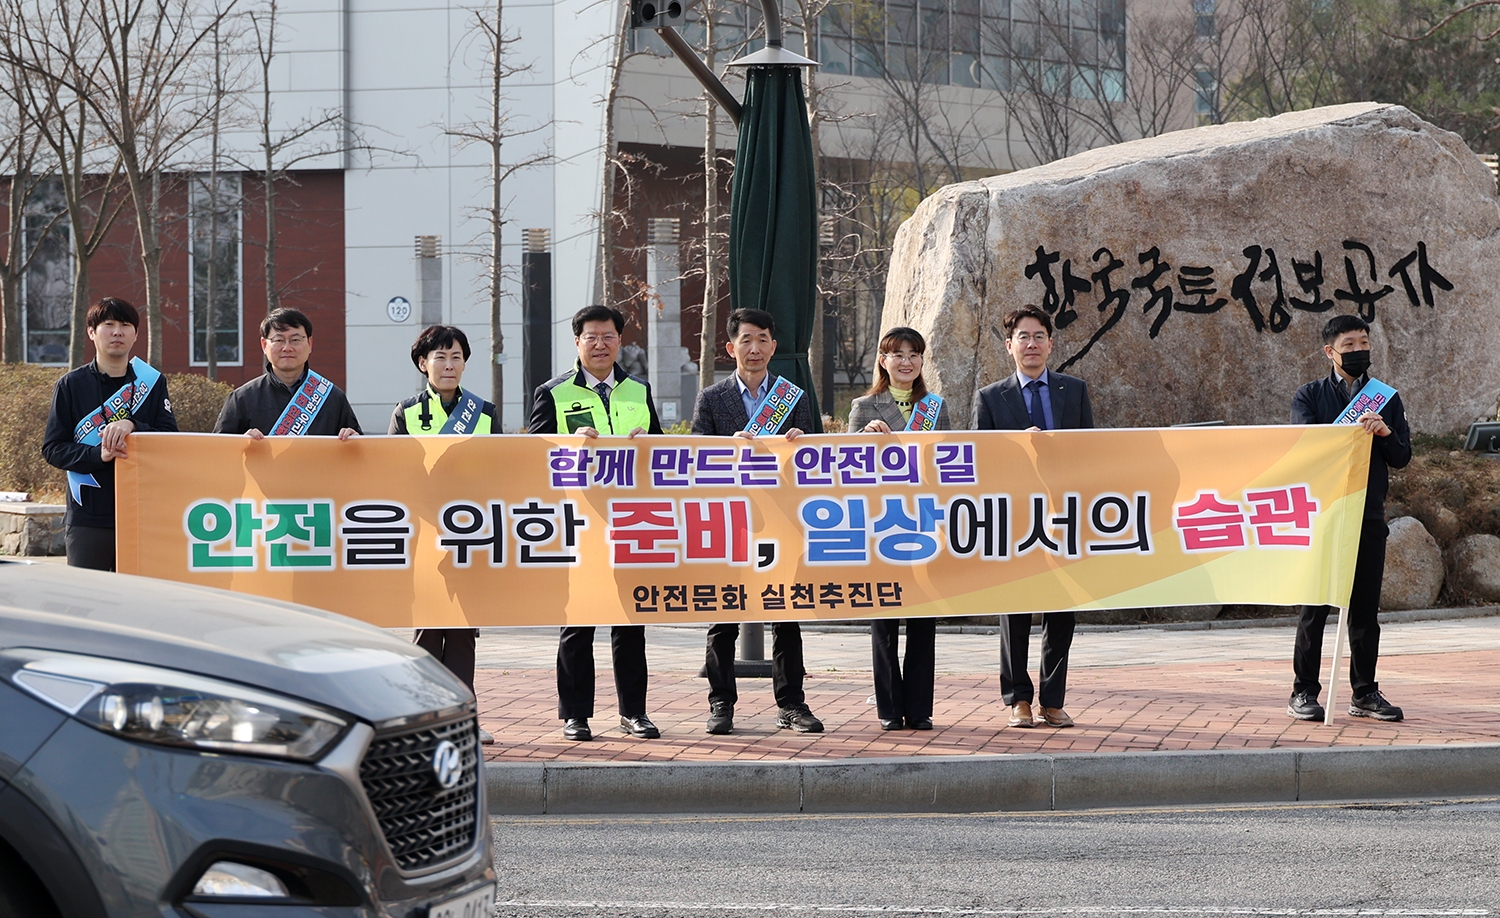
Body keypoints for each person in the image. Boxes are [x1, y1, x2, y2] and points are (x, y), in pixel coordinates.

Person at [529, 304, 663, 742]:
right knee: (579, 621)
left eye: (608, 336)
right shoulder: (553, 392)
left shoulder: (638, 391)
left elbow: (664, 456)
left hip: (631, 519)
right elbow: (533, 457)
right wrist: (568, 444)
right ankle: (575, 714)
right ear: (577, 342)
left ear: (619, 341)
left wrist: (650, 445)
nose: (600, 344)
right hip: (579, 520)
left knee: (630, 620)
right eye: (591, 336)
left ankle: (633, 712)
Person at [691, 307, 823, 735]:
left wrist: (802, 444)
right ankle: (721, 704)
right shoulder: (711, 399)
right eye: (745, 339)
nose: (754, 348)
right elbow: (694, 460)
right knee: (723, 614)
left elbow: (817, 462)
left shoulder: (794, 397)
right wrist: (726, 448)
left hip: (783, 522)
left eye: (762, 339)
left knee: (787, 614)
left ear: (774, 346)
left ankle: (791, 704)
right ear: (731, 348)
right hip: (729, 523)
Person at [972, 305, 1094, 730]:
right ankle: (1018, 698)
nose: (1032, 344)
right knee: (1016, 610)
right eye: (1023, 337)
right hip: (1014, 518)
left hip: (1063, 515)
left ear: (1051, 343)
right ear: (1009, 346)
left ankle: (1053, 699)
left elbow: (1090, 454)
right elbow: (979, 461)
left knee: (1062, 610)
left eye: (1039, 336)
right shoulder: (990, 397)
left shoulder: (1073, 390)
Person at [1287, 314, 1411, 722]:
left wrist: (1385, 434)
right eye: (1350, 345)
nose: (1359, 351)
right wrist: (1347, 433)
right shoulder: (1309, 396)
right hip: (1324, 516)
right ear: (1330, 352)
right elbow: (1306, 451)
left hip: (1368, 515)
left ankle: (1365, 693)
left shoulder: (1386, 398)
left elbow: (1402, 457)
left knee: (1364, 612)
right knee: (1316, 608)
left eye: (1364, 343)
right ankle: (1303, 692)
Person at [389, 324, 500, 745]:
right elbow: (395, 472)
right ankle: (422, 719)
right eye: (440, 357)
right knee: (426, 631)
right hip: (422, 536)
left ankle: (463, 716)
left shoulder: (484, 412)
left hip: (470, 535)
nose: (449, 364)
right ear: (423, 363)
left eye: (456, 357)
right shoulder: (406, 411)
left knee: (463, 630)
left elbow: (498, 469)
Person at [848, 326, 951, 732]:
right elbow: (844, 467)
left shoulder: (935, 407)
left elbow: (948, 462)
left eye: (914, 354)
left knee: (923, 619)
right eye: (898, 354)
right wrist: (863, 439)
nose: (906, 361)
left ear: (922, 361)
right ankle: (890, 708)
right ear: (883, 360)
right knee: (885, 617)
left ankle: (920, 708)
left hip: (924, 520)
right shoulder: (864, 406)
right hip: (881, 524)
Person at [42, 297, 178, 571]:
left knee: (140, 603)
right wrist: (97, 454)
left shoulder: (152, 383)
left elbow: (170, 439)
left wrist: (134, 425)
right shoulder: (71, 385)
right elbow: (53, 448)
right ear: (91, 332)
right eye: (109, 324)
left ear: (136, 334)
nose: (117, 332)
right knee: (87, 603)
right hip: (88, 517)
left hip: (144, 514)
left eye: (125, 325)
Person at [212, 308, 362, 439]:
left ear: (310, 344)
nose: (287, 348)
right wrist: (240, 445)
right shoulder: (242, 398)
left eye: (295, 340)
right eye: (279, 340)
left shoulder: (332, 396)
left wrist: (354, 441)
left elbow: (361, 455)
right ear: (264, 345)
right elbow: (219, 454)